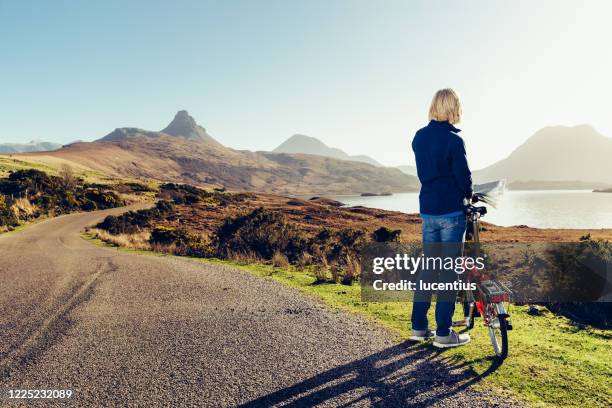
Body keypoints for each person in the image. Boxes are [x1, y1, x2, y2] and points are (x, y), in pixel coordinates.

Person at [409, 88, 473, 348]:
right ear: (453, 108)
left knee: (428, 269)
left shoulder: (419, 138)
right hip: (450, 212)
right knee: (448, 273)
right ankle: (444, 334)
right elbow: (463, 177)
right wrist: (469, 193)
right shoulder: (454, 141)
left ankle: (419, 328)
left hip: (428, 210)